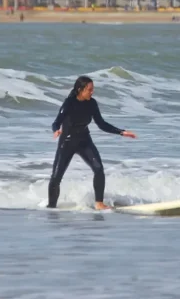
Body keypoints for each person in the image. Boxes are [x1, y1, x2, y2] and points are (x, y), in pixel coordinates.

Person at [49, 76, 136, 210]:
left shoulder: (92, 104)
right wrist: (56, 131)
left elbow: (101, 124)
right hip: (67, 142)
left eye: (92, 89)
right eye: (89, 89)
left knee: (99, 169)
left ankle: (99, 203)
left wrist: (121, 132)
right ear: (80, 90)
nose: (92, 92)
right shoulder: (69, 103)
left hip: (84, 140)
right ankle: (51, 207)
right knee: (56, 177)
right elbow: (56, 122)